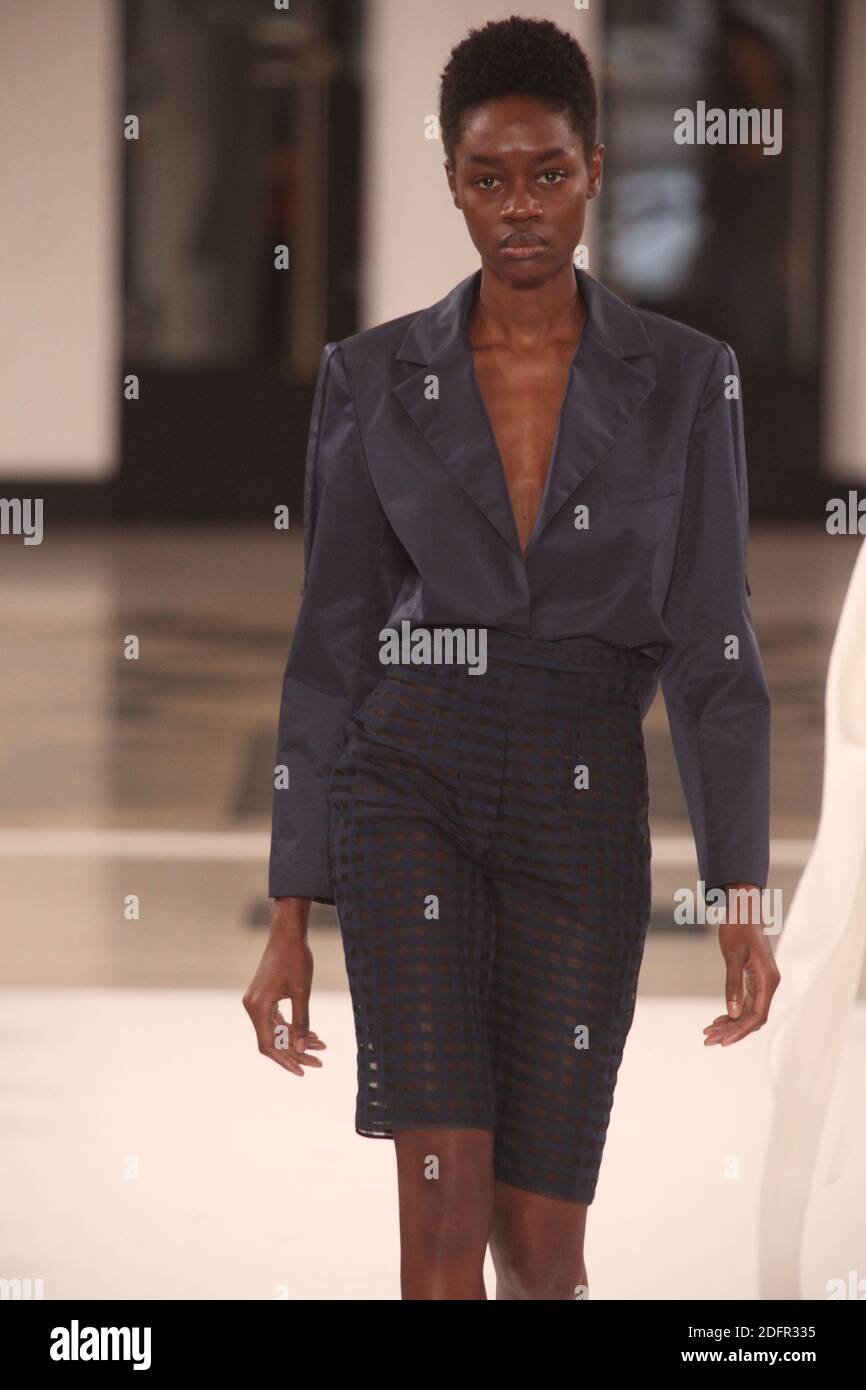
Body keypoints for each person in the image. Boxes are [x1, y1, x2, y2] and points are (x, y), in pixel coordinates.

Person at [243, 15, 777, 1300]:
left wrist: (738, 893)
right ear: (452, 184)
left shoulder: (684, 381)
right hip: (407, 787)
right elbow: (329, 646)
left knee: (542, 1256)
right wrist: (289, 910)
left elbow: (713, 642)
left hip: (580, 806)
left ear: (594, 168)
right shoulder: (371, 379)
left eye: (545, 173)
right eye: (489, 178)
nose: (519, 206)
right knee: (438, 1239)